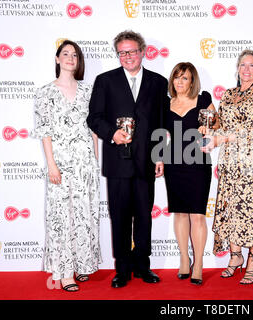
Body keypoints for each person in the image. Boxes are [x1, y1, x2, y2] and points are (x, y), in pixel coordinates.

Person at [87, 30, 168, 288]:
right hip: (117, 161)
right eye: (122, 52)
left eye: (132, 51)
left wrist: (160, 156)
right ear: (118, 54)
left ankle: (143, 266)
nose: (128, 56)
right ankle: (122, 269)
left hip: (146, 161)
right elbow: (94, 118)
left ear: (143, 52)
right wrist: (112, 134)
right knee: (120, 216)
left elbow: (162, 124)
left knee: (144, 215)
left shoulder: (158, 82)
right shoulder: (104, 81)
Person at [31, 40, 101, 292]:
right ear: (58, 59)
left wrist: (94, 158)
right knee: (61, 217)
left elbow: (93, 127)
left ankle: (82, 264)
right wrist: (51, 164)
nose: (71, 57)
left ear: (79, 62)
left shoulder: (88, 91)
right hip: (60, 162)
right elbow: (45, 131)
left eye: (75, 55)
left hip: (85, 163)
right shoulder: (44, 92)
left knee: (83, 215)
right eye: (66, 53)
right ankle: (64, 271)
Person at [202, 50, 253, 285]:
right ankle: (235, 256)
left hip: (250, 157)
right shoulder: (228, 94)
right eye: (243, 65)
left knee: (250, 207)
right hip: (229, 158)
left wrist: (222, 139)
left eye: (252, 65)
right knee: (230, 206)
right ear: (238, 68)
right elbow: (221, 124)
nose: (247, 69)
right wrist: (210, 134)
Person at [163, 62, 216, 285]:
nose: (180, 82)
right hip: (173, 162)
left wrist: (209, 128)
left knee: (197, 215)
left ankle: (199, 263)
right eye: (177, 77)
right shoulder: (166, 103)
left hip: (198, 162)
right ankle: (184, 258)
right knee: (180, 213)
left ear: (192, 81)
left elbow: (216, 123)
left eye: (185, 78)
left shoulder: (203, 99)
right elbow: (162, 134)